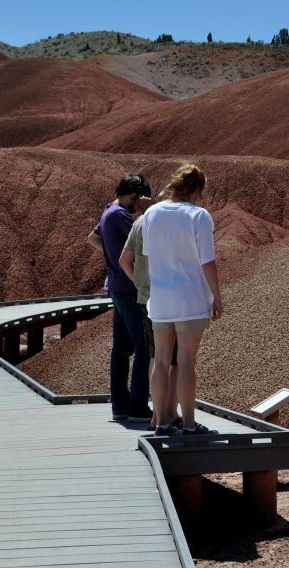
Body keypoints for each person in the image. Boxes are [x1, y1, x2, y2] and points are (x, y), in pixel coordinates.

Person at [142, 163, 223, 436]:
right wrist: (216, 297)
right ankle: (188, 423)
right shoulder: (199, 216)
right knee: (187, 362)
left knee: (162, 361)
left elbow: (148, 254)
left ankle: (161, 421)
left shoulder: (151, 213)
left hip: (161, 298)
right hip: (190, 297)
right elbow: (207, 261)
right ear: (197, 189)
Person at [86, 173, 153, 422]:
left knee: (122, 349)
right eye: (139, 200)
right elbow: (146, 238)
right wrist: (148, 212)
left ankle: (120, 405)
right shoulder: (122, 216)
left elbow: (92, 238)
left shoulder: (108, 211)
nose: (138, 207)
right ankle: (137, 407)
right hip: (129, 289)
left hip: (116, 286)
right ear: (135, 194)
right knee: (145, 347)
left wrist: (113, 255)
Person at [119, 215, 179, 432]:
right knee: (175, 360)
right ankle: (168, 414)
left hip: (147, 297)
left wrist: (139, 282)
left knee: (156, 355)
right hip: (171, 295)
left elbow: (124, 260)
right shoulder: (170, 220)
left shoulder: (139, 222)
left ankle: (159, 414)